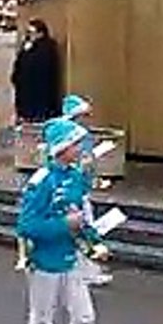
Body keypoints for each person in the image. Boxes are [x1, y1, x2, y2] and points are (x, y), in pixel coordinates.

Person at [15, 118, 117, 324]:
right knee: (41, 323)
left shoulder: (73, 177)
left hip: (71, 258)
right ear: (61, 148)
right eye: (75, 143)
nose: (80, 148)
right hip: (45, 261)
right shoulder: (41, 181)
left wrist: (94, 241)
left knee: (84, 318)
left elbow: (79, 217)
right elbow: (27, 226)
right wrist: (64, 225)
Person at [60, 95, 112, 287]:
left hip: (75, 188)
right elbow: (84, 163)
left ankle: (83, 269)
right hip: (76, 190)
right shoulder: (77, 135)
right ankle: (87, 270)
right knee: (84, 227)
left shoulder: (65, 133)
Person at [11, 19, 63, 124]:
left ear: (40, 33)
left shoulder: (47, 48)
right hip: (26, 95)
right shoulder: (27, 46)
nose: (29, 35)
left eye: (31, 32)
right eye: (28, 32)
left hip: (40, 96)